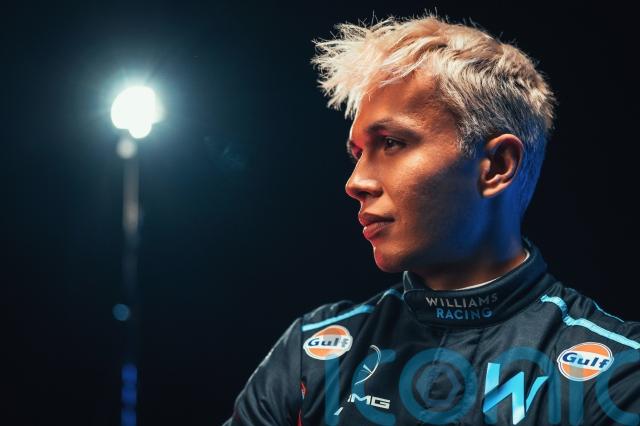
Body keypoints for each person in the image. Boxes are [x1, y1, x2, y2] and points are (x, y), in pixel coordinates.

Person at [223, 12, 640, 425]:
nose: (355, 182)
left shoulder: (619, 376)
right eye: (358, 154)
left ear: (497, 165)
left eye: (391, 143)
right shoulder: (311, 352)